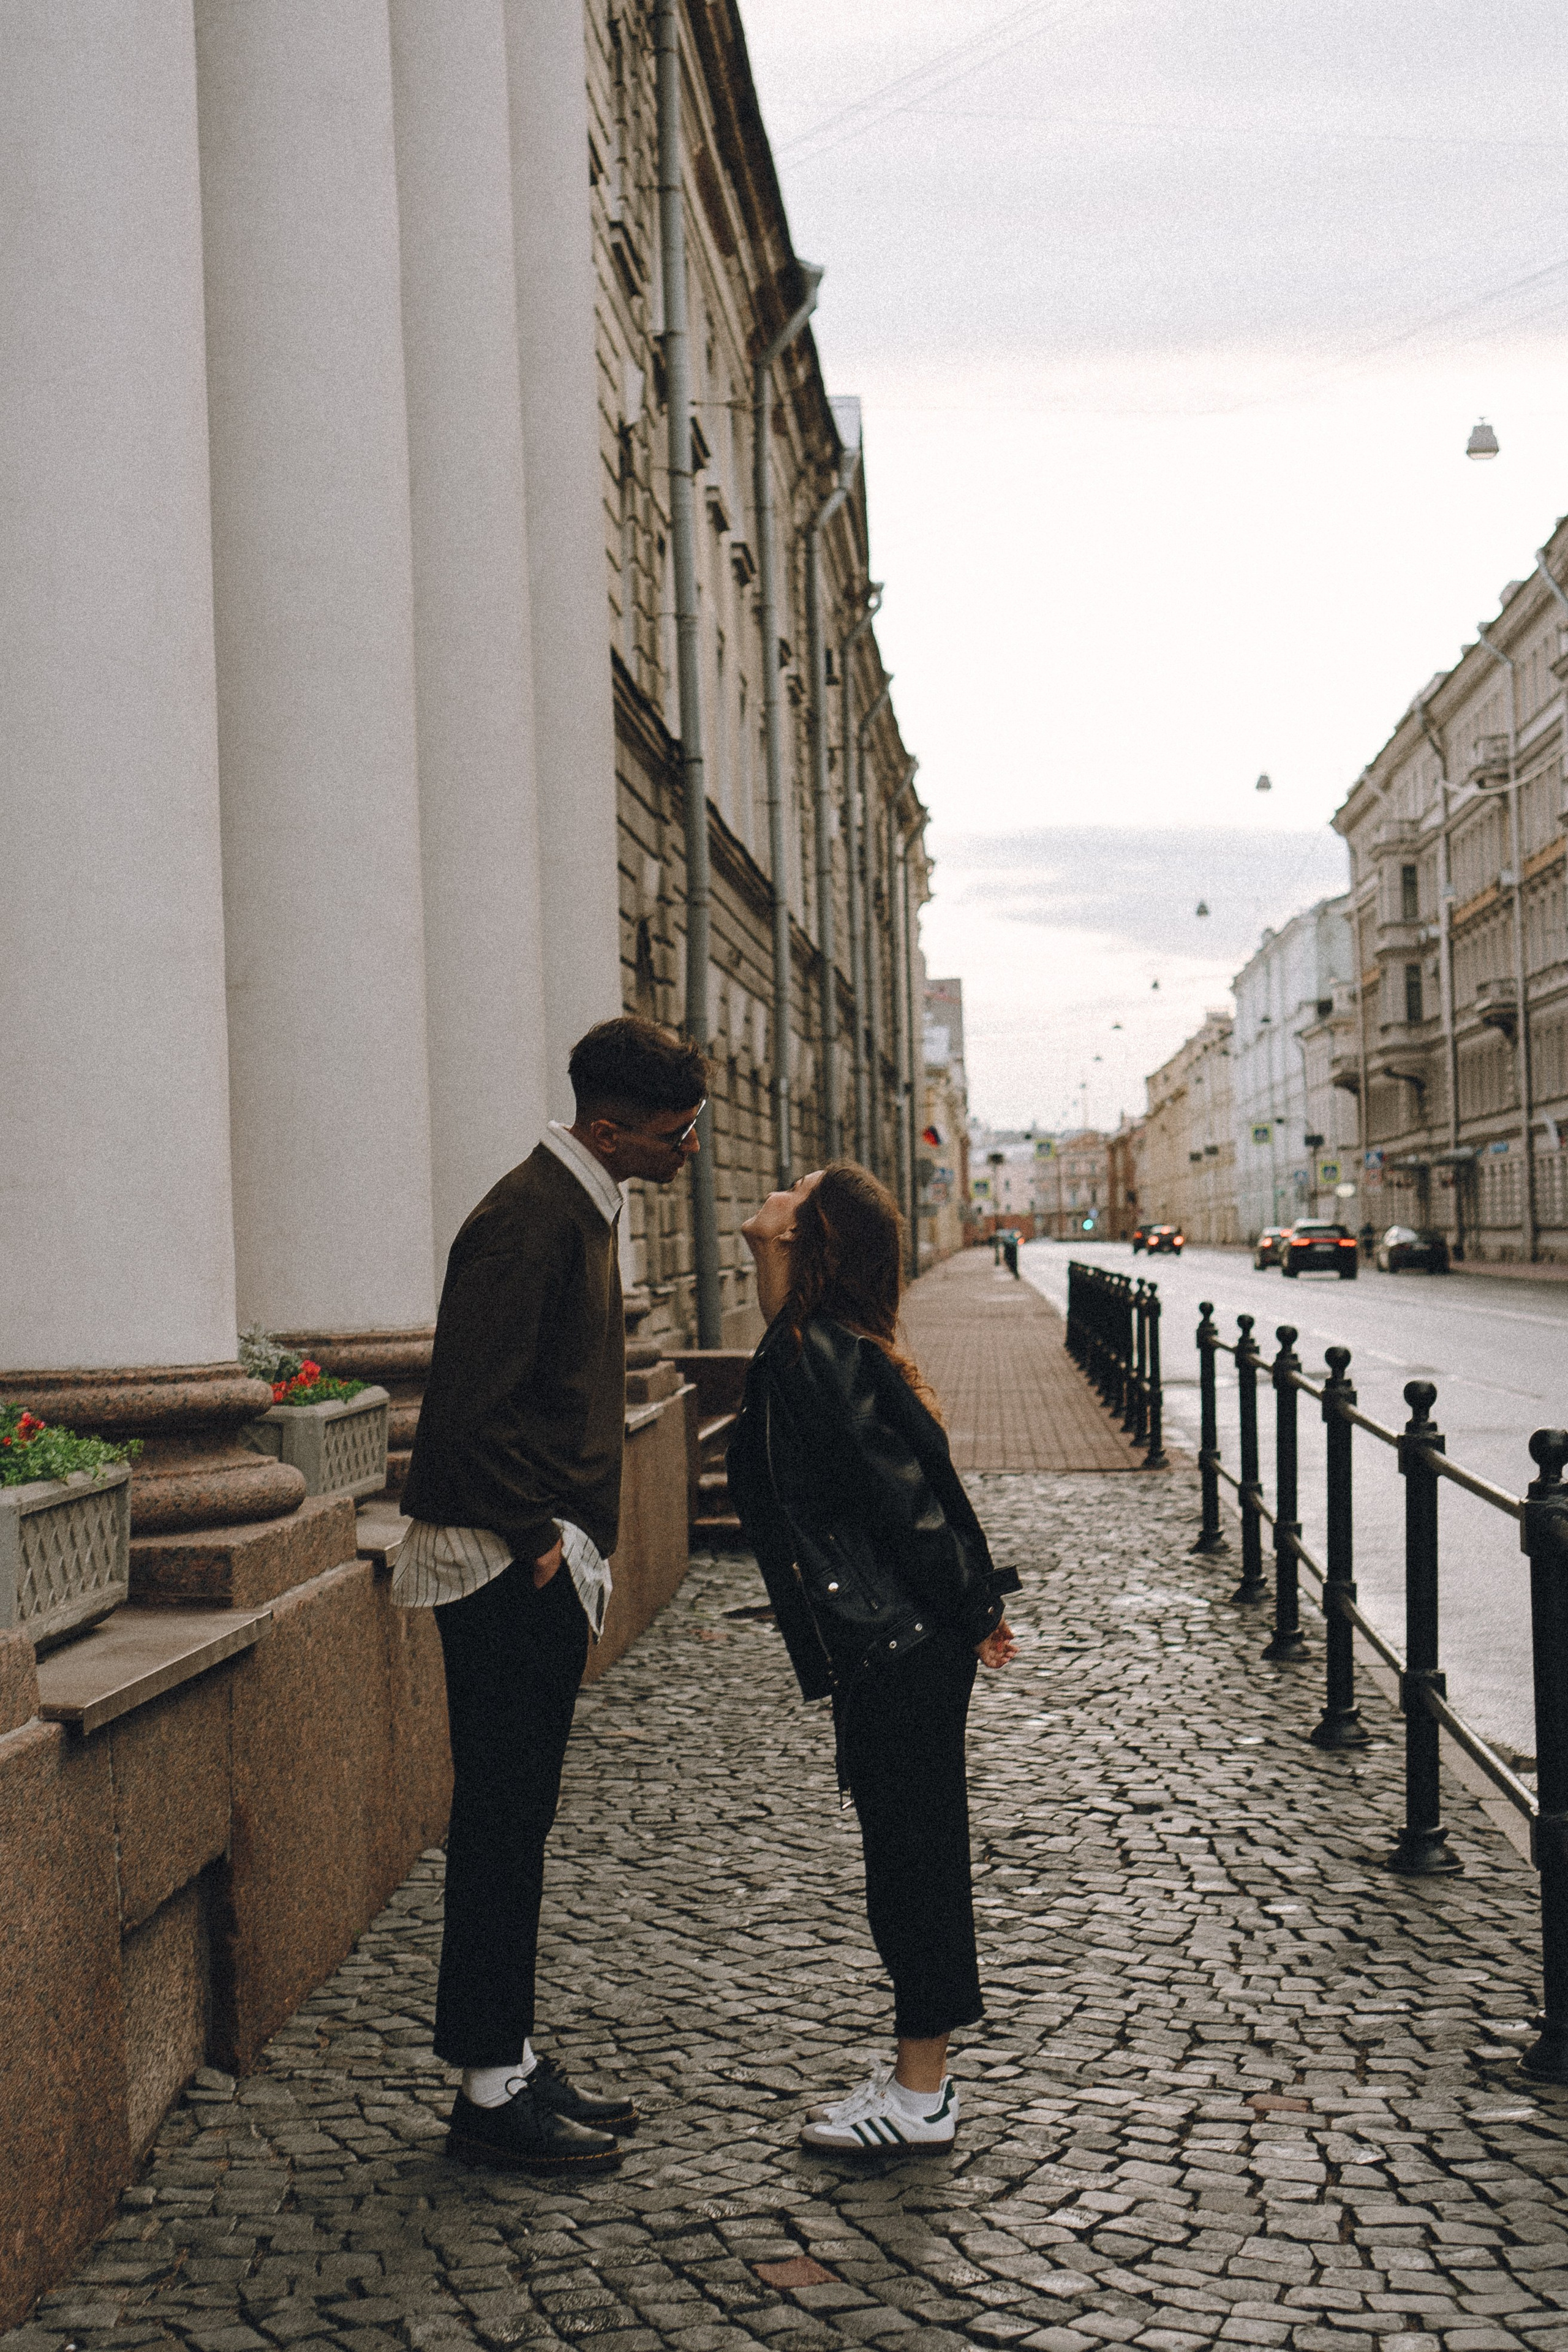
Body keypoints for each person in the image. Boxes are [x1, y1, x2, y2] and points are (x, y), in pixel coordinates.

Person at [395, 1015, 706, 2173]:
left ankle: (510, 2059)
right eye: (679, 1131)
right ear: (611, 1126)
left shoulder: (580, 1205)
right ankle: (487, 2096)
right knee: (498, 1826)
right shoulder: (528, 1222)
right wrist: (535, 1534)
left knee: (518, 1823)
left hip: (536, 1559)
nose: (691, 1148)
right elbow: (461, 1413)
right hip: (501, 1565)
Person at [726, 1163, 1020, 2155]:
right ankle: (913, 2076)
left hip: (899, 1643)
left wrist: (973, 1606)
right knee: (907, 1857)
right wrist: (973, 1606)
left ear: (811, 1238)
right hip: (899, 1641)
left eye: (796, 1193)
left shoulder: (816, 1352)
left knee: (914, 1863)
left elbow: (910, 1502)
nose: (775, 1191)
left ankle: (922, 2095)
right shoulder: (812, 1343)